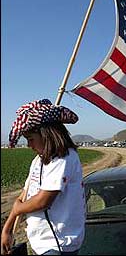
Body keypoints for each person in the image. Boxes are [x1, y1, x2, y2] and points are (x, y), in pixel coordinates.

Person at [1, 99, 86, 255]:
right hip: (41, 243)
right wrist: (7, 229)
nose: (29, 145)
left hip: (59, 243)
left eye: (31, 139)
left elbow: (42, 201)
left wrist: (18, 207)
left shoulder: (65, 158)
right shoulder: (38, 162)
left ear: (47, 135)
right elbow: (25, 194)